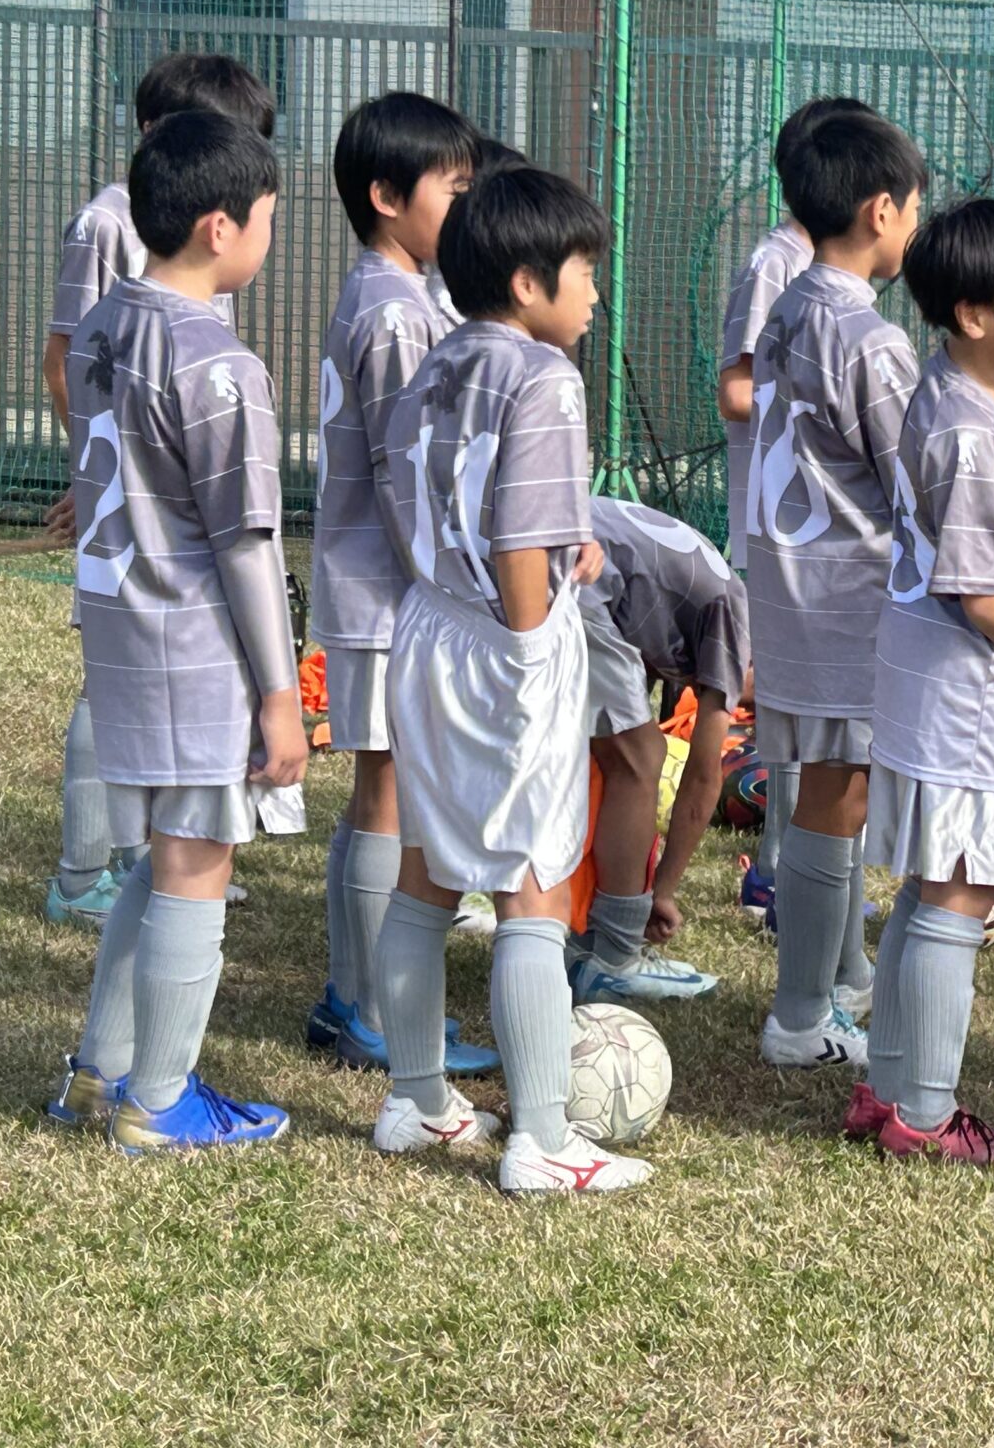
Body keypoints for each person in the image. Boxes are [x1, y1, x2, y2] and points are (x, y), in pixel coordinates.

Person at [373, 165, 648, 1195]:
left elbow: (444, 503)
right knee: (532, 885)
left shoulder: (437, 362)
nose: (592, 292)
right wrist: (535, 638)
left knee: (428, 869)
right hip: (503, 646)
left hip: (428, 627)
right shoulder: (546, 376)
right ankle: (543, 1139)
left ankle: (417, 1100)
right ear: (529, 283)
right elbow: (518, 542)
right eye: (584, 271)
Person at [43, 110, 307, 1152]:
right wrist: (281, 693)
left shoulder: (108, 323)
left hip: (117, 628)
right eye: (269, 219)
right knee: (197, 859)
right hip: (190, 641)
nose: (270, 237)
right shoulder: (220, 362)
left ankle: (99, 1071)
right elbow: (244, 543)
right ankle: (160, 1100)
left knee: (161, 858)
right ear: (216, 227)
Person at [856, 199, 994, 1164]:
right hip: (955, 690)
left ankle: (887, 1088)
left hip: (961, 681)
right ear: (974, 316)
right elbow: (982, 589)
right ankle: (927, 1116)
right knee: (958, 891)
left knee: (930, 887)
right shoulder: (962, 428)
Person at [39, 53, 274, 927]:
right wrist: (95, 478)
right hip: (128, 501)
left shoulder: (208, 256)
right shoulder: (105, 225)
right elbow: (69, 362)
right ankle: (82, 871)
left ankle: (162, 858)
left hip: (172, 493)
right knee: (108, 681)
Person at [305, 93, 496, 1077]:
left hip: (377, 587)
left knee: (378, 792)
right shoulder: (392, 313)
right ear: (387, 196)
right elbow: (403, 470)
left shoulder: (403, 296)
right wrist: (453, 580)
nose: (467, 210)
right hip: (385, 593)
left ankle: (352, 996)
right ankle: (372, 1009)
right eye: (454, 191)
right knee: (385, 792)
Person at [746, 107, 927, 1072]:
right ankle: (803, 1013)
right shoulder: (869, 338)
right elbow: (916, 478)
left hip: (791, 586)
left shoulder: (789, 305)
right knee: (839, 794)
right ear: (881, 209)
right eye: (912, 210)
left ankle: (820, 993)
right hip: (848, 596)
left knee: (828, 789)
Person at [715, 99, 855, 894]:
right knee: (790, 705)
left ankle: (784, 868)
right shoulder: (779, 263)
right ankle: (775, 871)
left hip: (815, 529)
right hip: (775, 527)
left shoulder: (830, 276)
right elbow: (736, 390)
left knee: (807, 709)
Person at [569, 494, 752, 1002]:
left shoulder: (691, 608)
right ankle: (617, 954)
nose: (737, 698)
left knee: (597, 756)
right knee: (642, 758)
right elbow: (702, 780)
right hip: (575, 569)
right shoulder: (733, 624)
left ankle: (575, 927)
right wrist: (661, 893)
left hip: (527, 541)